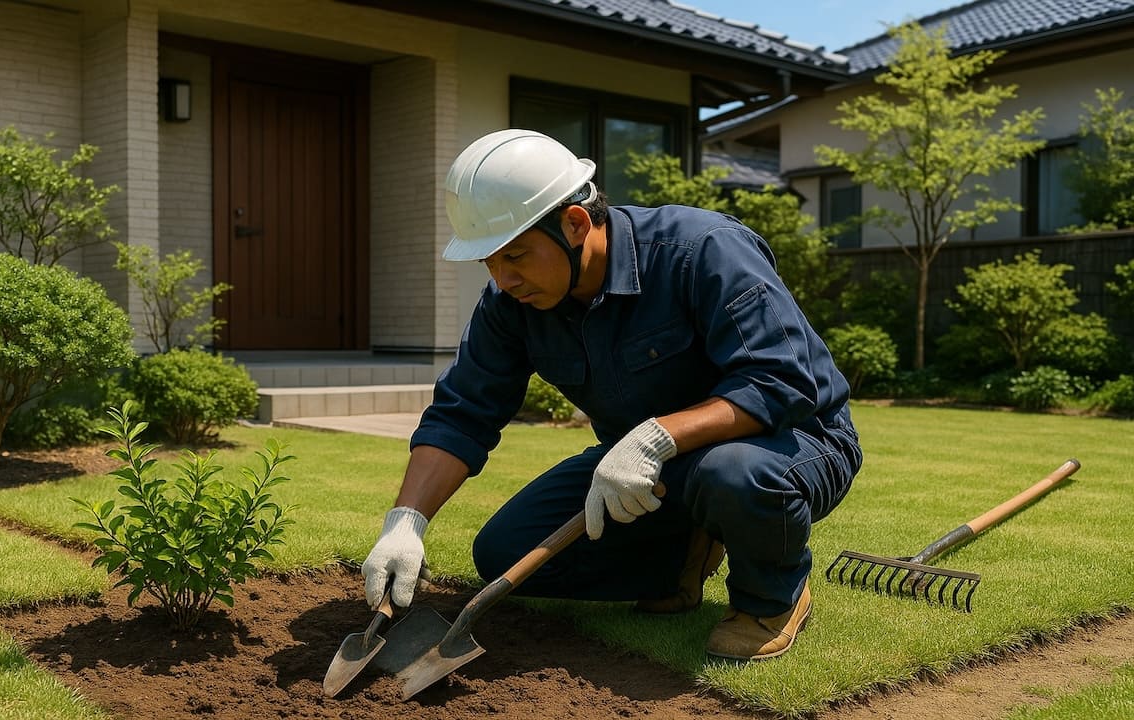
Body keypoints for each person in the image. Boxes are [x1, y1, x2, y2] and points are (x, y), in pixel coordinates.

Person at [361, 128, 862, 661]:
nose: (504, 279)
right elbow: (463, 413)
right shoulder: (511, 305)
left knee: (733, 473)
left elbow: (780, 382)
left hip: (792, 443)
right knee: (504, 552)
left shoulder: (703, 250)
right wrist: (406, 521)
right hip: (646, 463)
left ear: (575, 223)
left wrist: (657, 437)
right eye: (489, 262)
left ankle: (771, 598)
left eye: (516, 256)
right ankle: (680, 561)